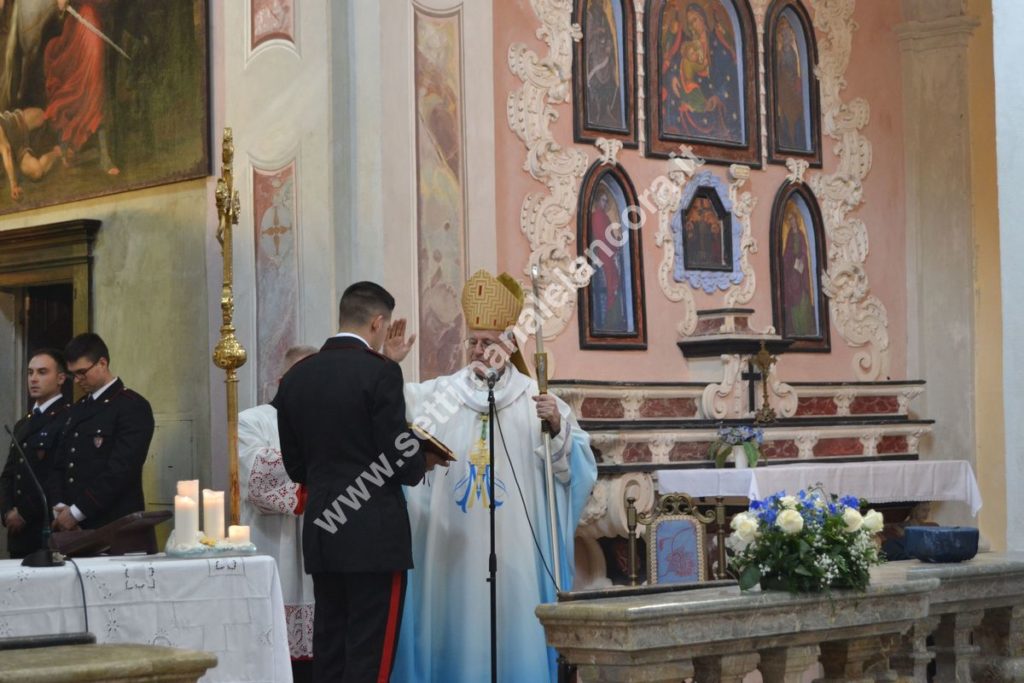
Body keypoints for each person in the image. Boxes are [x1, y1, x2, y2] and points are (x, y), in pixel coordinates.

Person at [390, 270, 598, 683]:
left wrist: (557, 428)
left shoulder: (536, 402)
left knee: (515, 626)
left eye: (489, 343)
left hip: (516, 553)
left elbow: (575, 470)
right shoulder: (440, 396)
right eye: (473, 342)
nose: (480, 351)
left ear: (509, 345)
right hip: (453, 548)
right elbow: (390, 409)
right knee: (454, 619)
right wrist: (386, 367)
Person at [273, 281, 447, 683]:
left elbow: (296, 467)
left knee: (330, 646)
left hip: (323, 530)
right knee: (370, 653)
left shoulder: (297, 377)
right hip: (373, 536)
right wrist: (425, 458)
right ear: (378, 322)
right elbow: (399, 458)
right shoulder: (381, 373)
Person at [238, 343, 318, 683]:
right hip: (273, 547)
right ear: (283, 380)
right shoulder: (251, 420)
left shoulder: (328, 424)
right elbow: (259, 473)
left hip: (319, 551)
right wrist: (325, 465)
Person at [49, 333, 154, 531]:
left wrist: (77, 512)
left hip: (114, 525)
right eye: (73, 374)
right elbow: (60, 463)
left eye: (82, 372)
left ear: (102, 363)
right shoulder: (77, 409)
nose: (78, 380)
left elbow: (121, 470)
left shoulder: (131, 406)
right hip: (74, 528)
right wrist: (60, 506)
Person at [0, 349, 70, 558]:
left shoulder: (67, 418)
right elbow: (8, 475)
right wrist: (7, 512)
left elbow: (55, 475)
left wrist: (24, 514)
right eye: (30, 373)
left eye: (42, 372)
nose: (33, 379)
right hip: (18, 534)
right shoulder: (24, 423)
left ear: (60, 378)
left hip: (45, 528)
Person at [0, 107, 63, 201]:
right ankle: (55, 153)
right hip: (17, 150)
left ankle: (54, 144)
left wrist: (13, 184)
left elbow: (6, 149)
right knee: (37, 172)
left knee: (41, 115)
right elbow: (7, 150)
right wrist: (13, 185)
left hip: (17, 125)